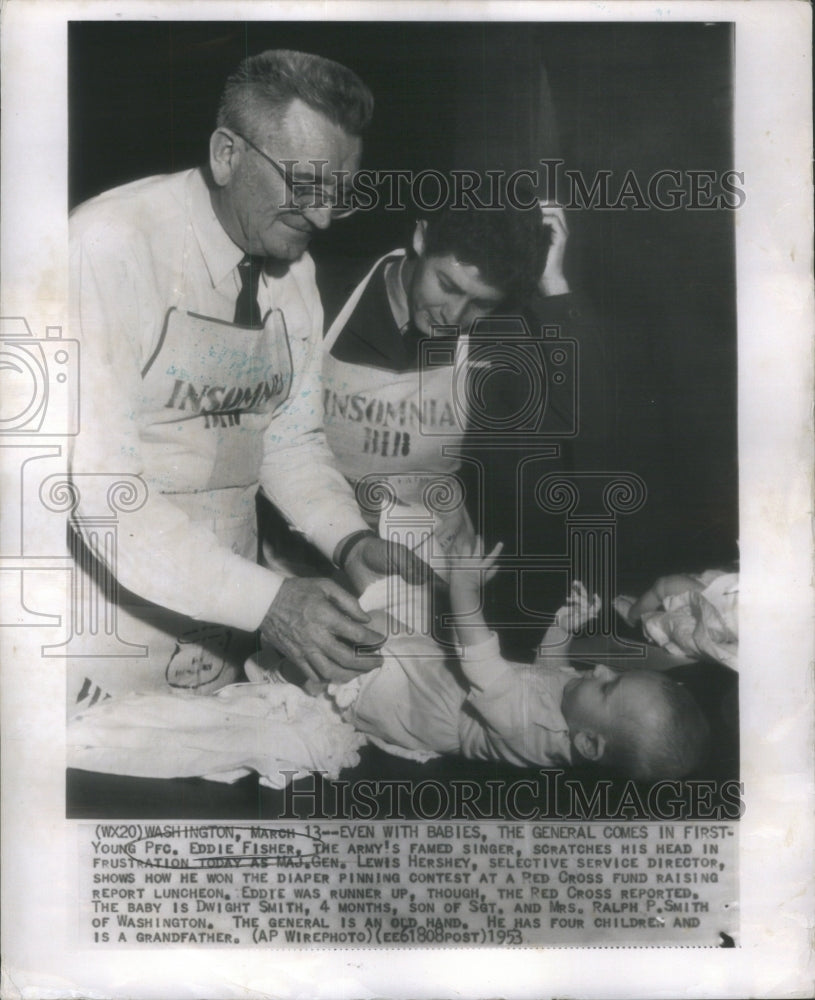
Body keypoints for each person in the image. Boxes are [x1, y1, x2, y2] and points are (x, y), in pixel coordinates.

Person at [67, 49, 425, 711]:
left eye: (339, 195)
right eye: (305, 186)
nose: (321, 219)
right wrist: (268, 601)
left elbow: (289, 440)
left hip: (228, 624)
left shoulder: (293, 270)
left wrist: (346, 539)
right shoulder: (109, 246)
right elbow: (104, 497)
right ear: (227, 153)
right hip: (98, 624)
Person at [321, 545, 711, 781]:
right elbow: (551, 667)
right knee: (379, 626)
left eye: (608, 687)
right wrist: (563, 626)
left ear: (588, 743)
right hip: (440, 680)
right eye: (617, 673)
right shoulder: (579, 707)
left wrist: (464, 589)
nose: (603, 670)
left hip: (419, 704)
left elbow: (480, 658)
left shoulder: (527, 726)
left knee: (347, 652)